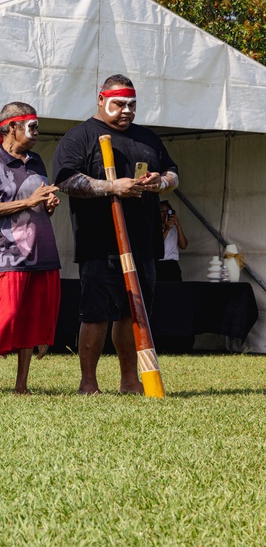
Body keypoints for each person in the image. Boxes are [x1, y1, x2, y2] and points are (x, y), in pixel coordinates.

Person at [53, 74, 179, 395]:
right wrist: (111, 186)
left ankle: (129, 381)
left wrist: (159, 182)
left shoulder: (148, 138)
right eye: (119, 104)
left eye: (132, 105)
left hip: (143, 243)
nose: (127, 111)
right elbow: (65, 180)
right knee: (96, 314)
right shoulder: (79, 137)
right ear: (101, 99)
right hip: (100, 243)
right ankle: (88, 383)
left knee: (133, 314)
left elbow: (173, 174)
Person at [0, 102, 61, 396]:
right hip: (8, 252)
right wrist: (29, 202)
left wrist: (47, 205)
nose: (36, 133)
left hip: (41, 251)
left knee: (32, 316)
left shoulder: (36, 162)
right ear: (10, 128)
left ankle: (21, 385)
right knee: (5, 314)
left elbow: (37, 205)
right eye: (30, 127)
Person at [157, 201, 187, 281]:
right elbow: (157, 244)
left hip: (172, 265)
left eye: (168, 211)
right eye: (162, 211)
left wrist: (178, 225)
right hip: (158, 264)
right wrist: (166, 229)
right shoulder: (154, 228)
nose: (165, 214)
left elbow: (183, 245)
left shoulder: (174, 229)